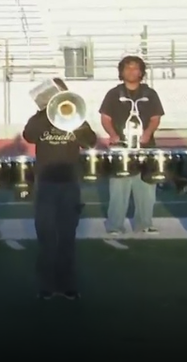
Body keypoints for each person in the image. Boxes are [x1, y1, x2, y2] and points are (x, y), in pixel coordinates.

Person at [22, 79, 98, 301]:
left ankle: (67, 285)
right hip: (45, 183)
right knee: (46, 237)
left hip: (69, 183)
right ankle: (46, 285)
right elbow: (29, 135)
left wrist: (78, 122)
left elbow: (91, 141)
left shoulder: (75, 115)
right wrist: (46, 112)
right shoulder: (40, 119)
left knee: (67, 237)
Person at [99, 55, 165, 236]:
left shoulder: (150, 94)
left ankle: (144, 223)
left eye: (135, 68)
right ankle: (115, 225)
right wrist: (112, 134)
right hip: (121, 148)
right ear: (121, 71)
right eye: (127, 68)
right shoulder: (113, 94)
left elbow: (155, 117)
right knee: (119, 187)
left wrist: (147, 133)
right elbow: (105, 118)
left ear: (142, 72)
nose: (131, 71)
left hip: (145, 147)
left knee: (146, 186)